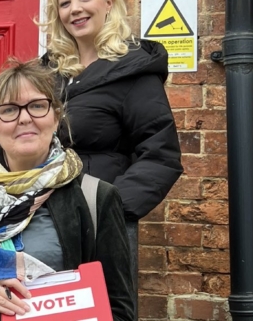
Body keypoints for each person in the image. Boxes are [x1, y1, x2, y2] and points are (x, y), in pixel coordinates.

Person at [0, 58, 135, 321]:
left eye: (37, 106)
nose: (24, 118)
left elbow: (119, 309)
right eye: (9, 110)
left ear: (56, 119)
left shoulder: (95, 198)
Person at [40, 0, 184, 310]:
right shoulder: (46, 73)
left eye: (83, 0)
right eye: (64, 3)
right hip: (41, 217)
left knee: (99, 311)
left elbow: (160, 153)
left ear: (108, 4)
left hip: (101, 225)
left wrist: (111, 209)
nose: (74, 9)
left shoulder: (133, 70)